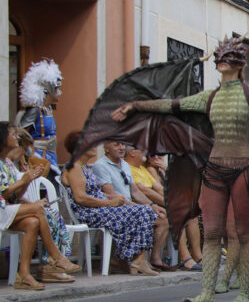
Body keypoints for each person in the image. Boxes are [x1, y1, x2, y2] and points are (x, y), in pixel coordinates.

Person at [110, 36, 249, 302]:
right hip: (215, 171)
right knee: (213, 232)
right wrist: (136, 106)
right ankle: (206, 293)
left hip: (245, 169)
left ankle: (246, 294)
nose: (221, 61)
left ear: (239, 63)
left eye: (227, 57)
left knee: (242, 233)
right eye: (219, 57)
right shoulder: (209, 97)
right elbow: (171, 105)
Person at [61, 132, 158, 276]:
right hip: (89, 212)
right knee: (142, 211)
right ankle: (132, 259)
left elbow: (93, 192)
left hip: (99, 208)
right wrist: (110, 203)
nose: (94, 146)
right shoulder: (74, 167)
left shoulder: (85, 166)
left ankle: (136, 259)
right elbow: (81, 198)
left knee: (144, 210)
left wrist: (112, 197)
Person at [0, 123, 81, 290]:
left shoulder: (7, 163)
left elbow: (15, 195)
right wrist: (23, 180)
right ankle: (56, 257)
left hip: (5, 210)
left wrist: (28, 179)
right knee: (38, 209)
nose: (16, 137)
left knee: (33, 223)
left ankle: (24, 275)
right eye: (13, 134)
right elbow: (4, 193)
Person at [92, 141, 172, 272]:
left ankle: (154, 259)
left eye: (123, 145)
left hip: (128, 206)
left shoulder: (124, 164)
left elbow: (135, 191)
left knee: (163, 217)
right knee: (142, 213)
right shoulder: (101, 166)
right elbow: (112, 195)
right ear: (106, 149)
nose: (122, 147)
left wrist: (151, 205)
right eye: (117, 145)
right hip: (114, 207)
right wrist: (139, 207)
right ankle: (136, 261)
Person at [17, 59, 64, 176]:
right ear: (48, 89)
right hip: (37, 159)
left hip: (51, 158)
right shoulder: (34, 110)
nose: (59, 92)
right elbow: (20, 136)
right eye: (57, 89)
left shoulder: (48, 109)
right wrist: (23, 161)